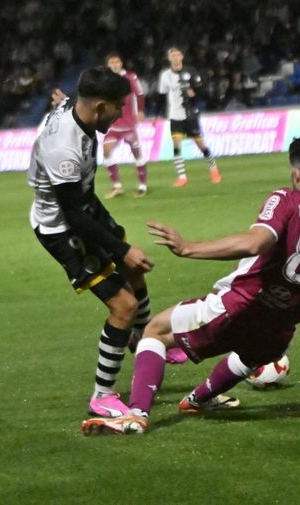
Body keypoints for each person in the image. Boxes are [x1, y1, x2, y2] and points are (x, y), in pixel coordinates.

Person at [82, 135, 300, 435]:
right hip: (279, 332)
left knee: (154, 331)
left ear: (295, 172)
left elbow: (255, 243)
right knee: (249, 355)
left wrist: (189, 248)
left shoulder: (287, 199)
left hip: (240, 304)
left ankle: (137, 415)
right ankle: (197, 399)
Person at [28, 66, 155, 418]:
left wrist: (124, 252)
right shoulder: (63, 149)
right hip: (63, 229)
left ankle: (143, 342)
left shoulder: (77, 107)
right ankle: (102, 395)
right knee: (123, 306)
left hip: (84, 205)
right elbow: (74, 218)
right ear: (100, 107)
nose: (120, 115)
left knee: (134, 270)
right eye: (118, 108)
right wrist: (123, 248)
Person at [158, 46, 221, 187]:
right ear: (169, 58)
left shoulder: (190, 71)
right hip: (174, 114)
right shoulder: (165, 75)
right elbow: (161, 96)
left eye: (177, 54)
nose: (175, 57)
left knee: (200, 144)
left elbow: (202, 90)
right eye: (172, 55)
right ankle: (182, 177)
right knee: (176, 144)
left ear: (182, 57)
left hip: (190, 114)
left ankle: (214, 169)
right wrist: (159, 113)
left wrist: (195, 93)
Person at [101, 53, 149, 199]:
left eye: (117, 61)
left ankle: (142, 186)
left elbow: (140, 95)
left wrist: (140, 111)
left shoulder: (130, 77)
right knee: (106, 150)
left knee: (136, 153)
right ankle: (117, 186)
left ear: (121, 63)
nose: (114, 64)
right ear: (108, 65)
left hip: (129, 125)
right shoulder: (105, 80)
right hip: (114, 125)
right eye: (111, 62)